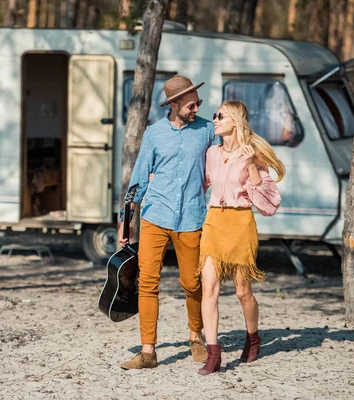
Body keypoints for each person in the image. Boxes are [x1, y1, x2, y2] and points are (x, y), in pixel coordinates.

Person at [118, 75, 221, 370]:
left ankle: (195, 336)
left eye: (197, 103)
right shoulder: (154, 134)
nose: (196, 109)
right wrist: (127, 221)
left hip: (191, 217)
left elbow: (220, 164)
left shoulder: (206, 131)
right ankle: (148, 351)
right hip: (155, 216)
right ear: (173, 104)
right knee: (148, 282)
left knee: (192, 283)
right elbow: (139, 178)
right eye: (191, 105)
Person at [197, 100, 285, 375]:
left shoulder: (253, 154)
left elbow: (269, 203)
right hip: (214, 221)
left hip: (241, 222)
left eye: (220, 115)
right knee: (209, 287)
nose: (215, 119)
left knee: (242, 291)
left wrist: (251, 165)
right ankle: (213, 352)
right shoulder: (211, 152)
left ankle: (253, 336)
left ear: (235, 120)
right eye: (215, 115)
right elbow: (200, 184)